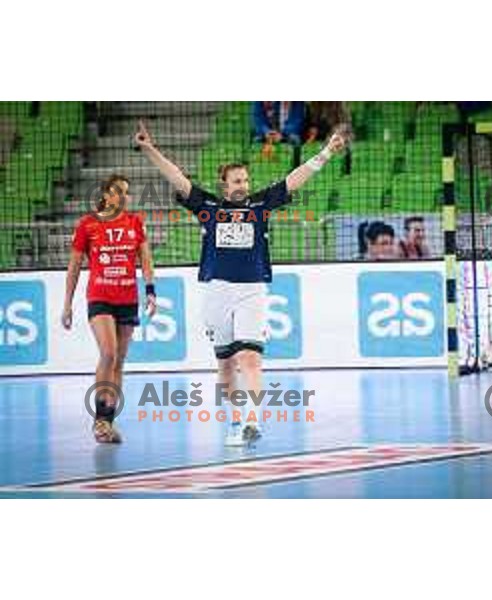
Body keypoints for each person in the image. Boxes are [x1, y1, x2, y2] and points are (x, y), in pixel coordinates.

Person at [135, 121, 345, 445]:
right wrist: (150, 150)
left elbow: (294, 179)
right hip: (216, 290)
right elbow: (176, 176)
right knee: (225, 365)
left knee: (250, 358)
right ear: (224, 184)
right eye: (236, 181)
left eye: (246, 180)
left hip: (252, 290)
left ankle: (252, 421)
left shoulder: (260, 206)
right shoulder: (208, 208)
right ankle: (234, 421)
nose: (243, 185)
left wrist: (326, 153)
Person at [61, 175, 157, 443]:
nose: (125, 197)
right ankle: (99, 419)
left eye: (127, 192)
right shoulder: (88, 224)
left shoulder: (135, 222)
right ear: (106, 195)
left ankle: (108, 422)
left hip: (127, 297)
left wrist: (150, 291)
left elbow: (146, 259)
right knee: (109, 353)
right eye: (119, 192)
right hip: (100, 297)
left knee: (120, 360)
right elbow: (74, 266)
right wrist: (67, 303)